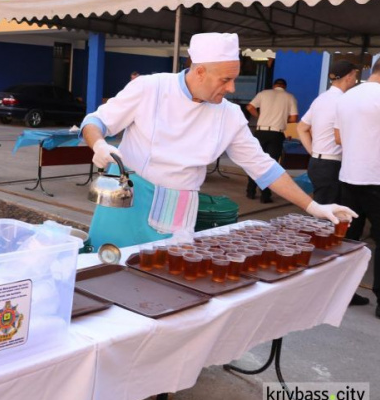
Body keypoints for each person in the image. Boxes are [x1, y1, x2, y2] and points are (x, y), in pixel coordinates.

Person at [80, 32, 356, 249]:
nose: (232, 88)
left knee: (163, 279)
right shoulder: (150, 87)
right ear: (200, 71)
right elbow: (95, 122)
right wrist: (100, 144)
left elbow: (263, 167)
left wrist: (313, 206)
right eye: (226, 80)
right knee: (107, 265)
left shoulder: (230, 115)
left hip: (179, 205)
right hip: (128, 197)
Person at [335, 55, 380, 320]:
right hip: (379, 178)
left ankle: (344, 293)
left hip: (349, 175)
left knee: (349, 240)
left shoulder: (346, 98)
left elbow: (338, 137)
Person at [298, 61, 358, 203]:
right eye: (355, 75)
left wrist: (313, 152)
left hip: (316, 163)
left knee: (322, 208)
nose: (355, 80)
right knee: (329, 213)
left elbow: (301, 127)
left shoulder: (320, 99)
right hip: (332, 164)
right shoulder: (344, 101)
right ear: (348, 77)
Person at [245, 78, 298, 203]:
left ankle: (250, 191)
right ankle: (265, 195)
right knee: (270, 164)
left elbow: (250, 107)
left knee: (255, 161)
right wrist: (282, 120)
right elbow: (294, 117)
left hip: (260, 132)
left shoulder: (263, 94)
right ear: (284, 86)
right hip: (276, 133)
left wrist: (260, 117)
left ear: (274, 85)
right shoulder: (290, 97)